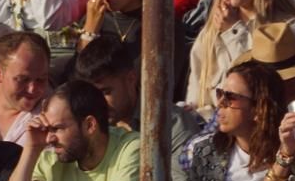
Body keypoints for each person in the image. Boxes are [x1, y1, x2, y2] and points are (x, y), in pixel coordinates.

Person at [0, 81, 139, 181]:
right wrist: (31, 148)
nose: (49, 139)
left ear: (89, 125)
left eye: (57, 128)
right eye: (48, 129)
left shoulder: (131, 146)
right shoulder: (50, 159)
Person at [174, 60, 282, 181]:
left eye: (231, 97)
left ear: (259, 109)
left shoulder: (293, 151)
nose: (220, 103)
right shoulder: (206, 152)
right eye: (220, 94)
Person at [74, 37, 203, 167]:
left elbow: (180, 179)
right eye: (92, 94)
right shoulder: (88, 126)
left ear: (130, 79)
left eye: (105, 92)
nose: (97, 103)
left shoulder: (172, 124)